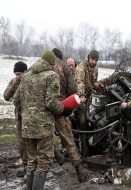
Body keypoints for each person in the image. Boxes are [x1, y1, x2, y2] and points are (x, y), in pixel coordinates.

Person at [13, 50, 69, 190]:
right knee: (43, 162)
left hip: (27, 127)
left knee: (32, 161)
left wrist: (29, 111)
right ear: (51, 63)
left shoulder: (25, 77)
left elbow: (15, 100)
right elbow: (51, 102)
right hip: (43, 128)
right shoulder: (51, 76)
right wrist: (63, 109)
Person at [52, 48, 88, 182]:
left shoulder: (44, 65)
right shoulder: (64, 67)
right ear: (61, 58)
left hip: (44, 109)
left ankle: (56, 152)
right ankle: (79, 170)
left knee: (43, 136)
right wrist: (67, 101)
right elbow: (72, 89)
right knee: (68, 139)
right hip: (61, 107)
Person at [3, 61, 28, 177]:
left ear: (25, 72)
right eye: (16, 74)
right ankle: (26, 165)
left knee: (35, 142)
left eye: (19, 74)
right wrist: (16, 82)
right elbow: (6, 96)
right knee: (21, 144)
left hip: (31, 118)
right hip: (19, 118)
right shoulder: (14, 81)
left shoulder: (31, 81)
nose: (17, 76)